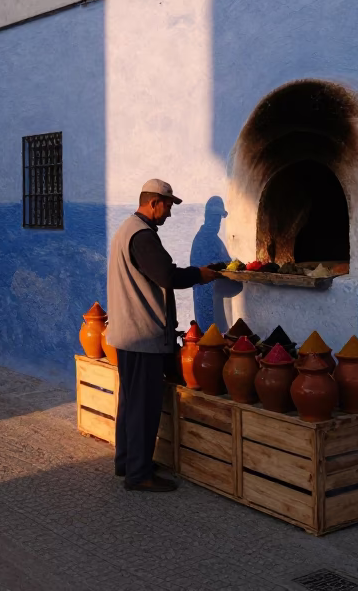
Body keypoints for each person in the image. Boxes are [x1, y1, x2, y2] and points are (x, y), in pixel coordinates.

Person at [106, 179, 220, 492]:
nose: (170, 213)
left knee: (131, 403)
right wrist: (201, 274)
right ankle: (139, 475)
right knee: (143, 406)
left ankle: (127, 462)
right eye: (168, 205)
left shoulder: (127, 229)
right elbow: (167, 276)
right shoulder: (142, 236)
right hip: (143, 335)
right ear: (155, 201)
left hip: (128, 335)